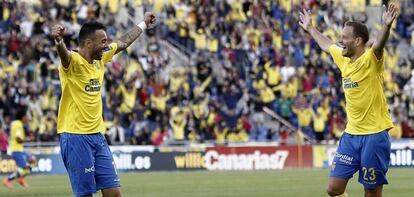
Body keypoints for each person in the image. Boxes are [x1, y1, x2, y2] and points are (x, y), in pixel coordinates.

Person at [51, 12, 156, 197]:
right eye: (103, 41)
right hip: (76, 137)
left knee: (114, 194)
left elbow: (123, 42)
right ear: (89, 44)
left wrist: (144, 23)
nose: (107, 45)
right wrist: (59, 41)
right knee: (86, 195)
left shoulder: (102, 57)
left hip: (97, 137)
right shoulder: (73, 62)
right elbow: (64, 56)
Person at [299, 2, 398, 197]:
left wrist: (386, 27)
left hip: (374, 135)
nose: (340, 40)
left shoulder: (371, 59)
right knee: (333, 189)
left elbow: (378, 45)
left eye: (345, 37)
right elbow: (326, 44)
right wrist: (310, 28)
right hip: (351, 135)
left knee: (371, 193)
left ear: (358, 41)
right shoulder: (343, 58)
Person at [2, 107, 36, 188]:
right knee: (27, 168)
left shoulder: (17, 123)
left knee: (33, 161)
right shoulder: (18, 124)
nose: (28, 117)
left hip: (20, 149)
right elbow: (18, 139)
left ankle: (21, 178)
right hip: (16, 150)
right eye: (27, 116)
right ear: (23, 117)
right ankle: (8, 180)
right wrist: (28, 139)